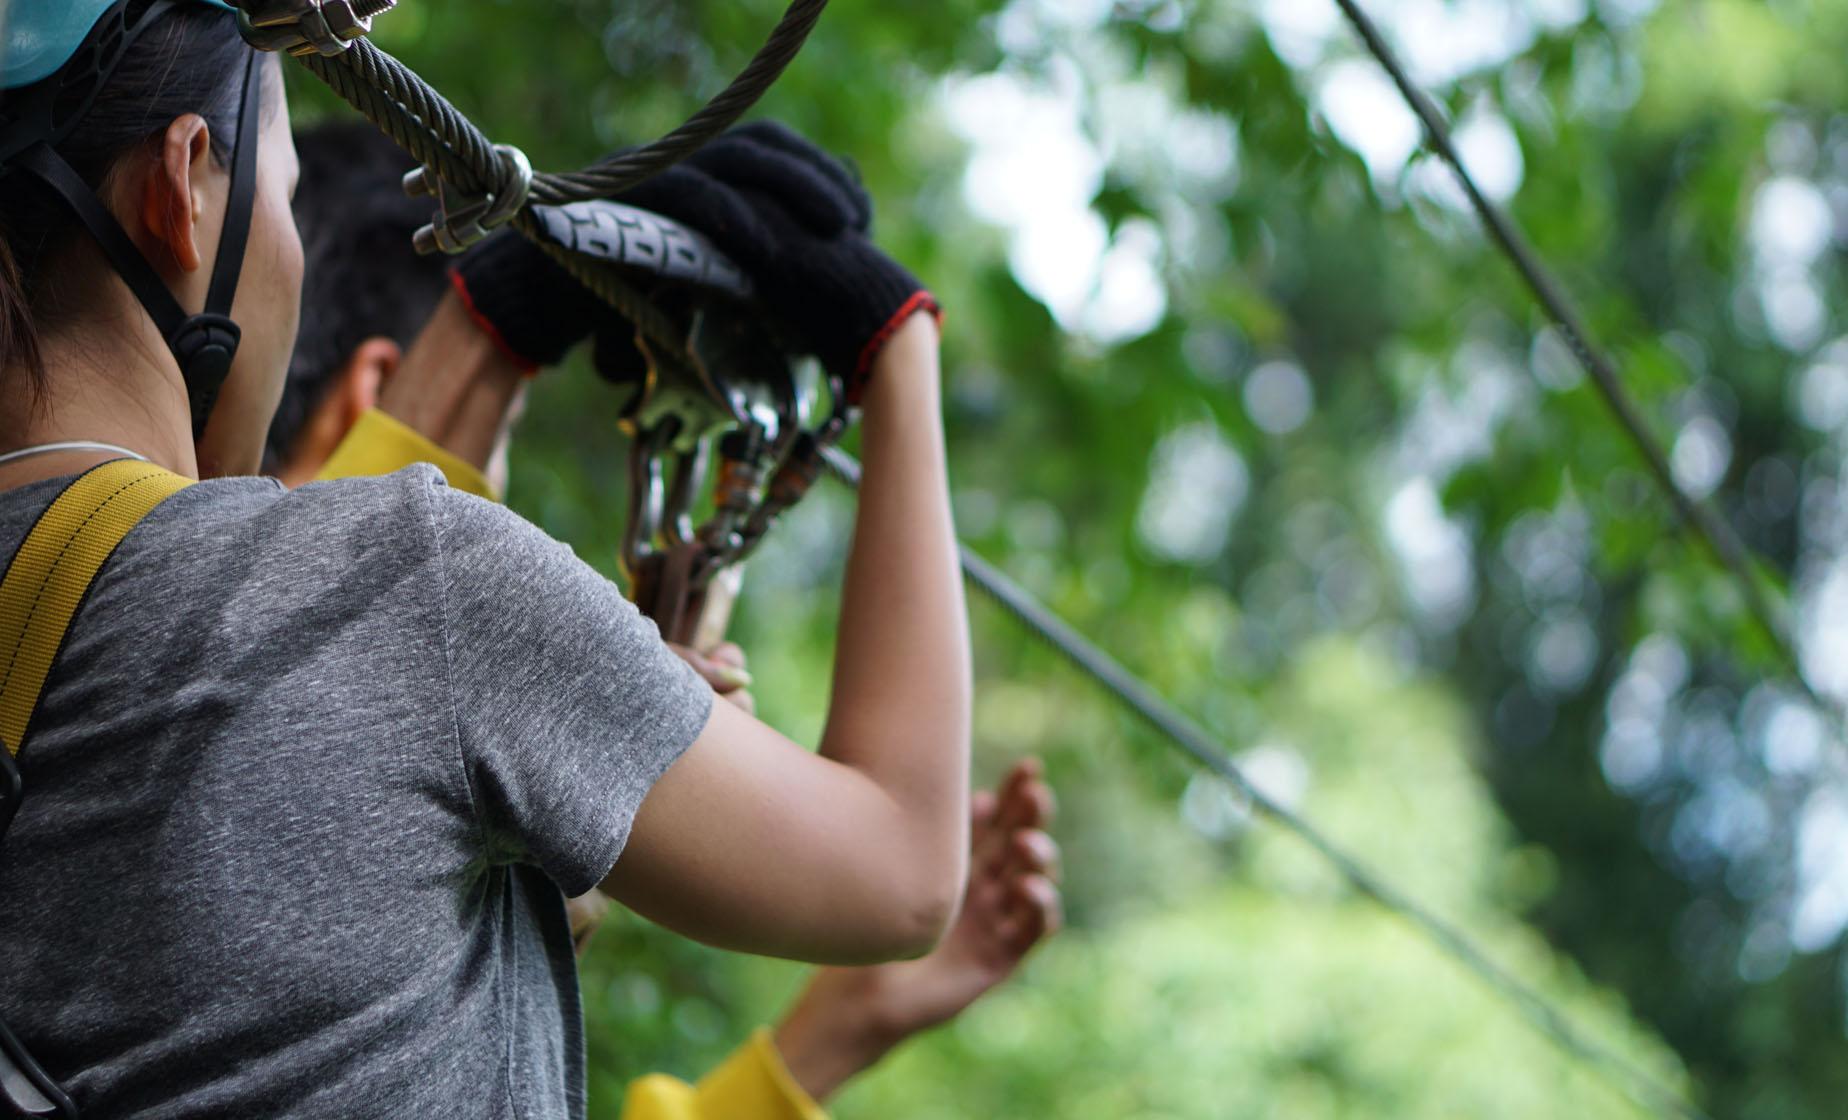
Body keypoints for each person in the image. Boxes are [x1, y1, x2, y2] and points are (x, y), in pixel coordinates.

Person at [0, 3, 971, 1116]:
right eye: (284, 198)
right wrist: (894, 344)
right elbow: (899, 874)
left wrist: (480, 339)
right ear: (184, 191)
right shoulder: (418, 589)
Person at [272, 121, 1064, 1117]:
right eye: (498, 446)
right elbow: (905, 869)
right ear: (374, 391)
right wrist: (896, 344)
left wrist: (830, 1037)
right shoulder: (438, 616)